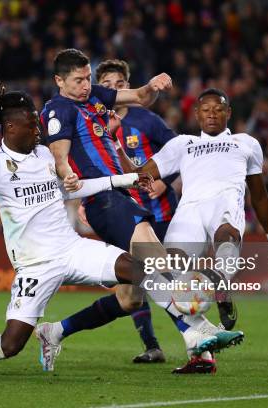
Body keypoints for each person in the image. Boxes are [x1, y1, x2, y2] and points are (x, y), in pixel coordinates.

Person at [0, 85, 226, 376]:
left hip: (72, 248)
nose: (38, 124)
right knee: (10, 345)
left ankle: (196, 329)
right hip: (35, 266)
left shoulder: (44, 155)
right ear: (9, 126)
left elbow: (73, 188)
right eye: (29, 119)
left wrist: (125, 179)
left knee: (140, 269)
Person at [38, 49, 242, 374]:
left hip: (119, 194)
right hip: (104, 198)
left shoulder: (94, 99)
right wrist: (67, 173)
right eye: (77, 80)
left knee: (131, 296)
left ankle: (55, 331)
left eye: (87, 78)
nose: (85, 86)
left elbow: (138, 96)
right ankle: (197, 333)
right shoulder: (58, 108)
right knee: (156, 260)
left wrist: (153, 84)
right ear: (59, 81)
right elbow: (60, 155)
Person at [122, 88, 268, 373]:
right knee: (168, 276)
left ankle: (219, 281)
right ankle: (201, 356)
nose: (212, 114)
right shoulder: (182, 144)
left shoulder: (245, 143)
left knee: (227, 234)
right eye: (206, 110)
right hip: (189, 212)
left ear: (229, 113)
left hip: (223, 204)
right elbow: (140, 174)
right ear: (196, 114)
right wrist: (114, 147)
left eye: (218, 109)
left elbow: (259, 195)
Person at [93, 59, 179, 363]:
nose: (114, 90)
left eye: (119, 84)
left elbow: (177, 151)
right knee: (135, 281)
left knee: (169, 275)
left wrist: (165, 182)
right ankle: (152, 345)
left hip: (163, 213)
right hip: (124, 213)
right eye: (107, 85)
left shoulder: (146, 120)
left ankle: (198, 336)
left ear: (128, 87)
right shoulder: (92, 124)